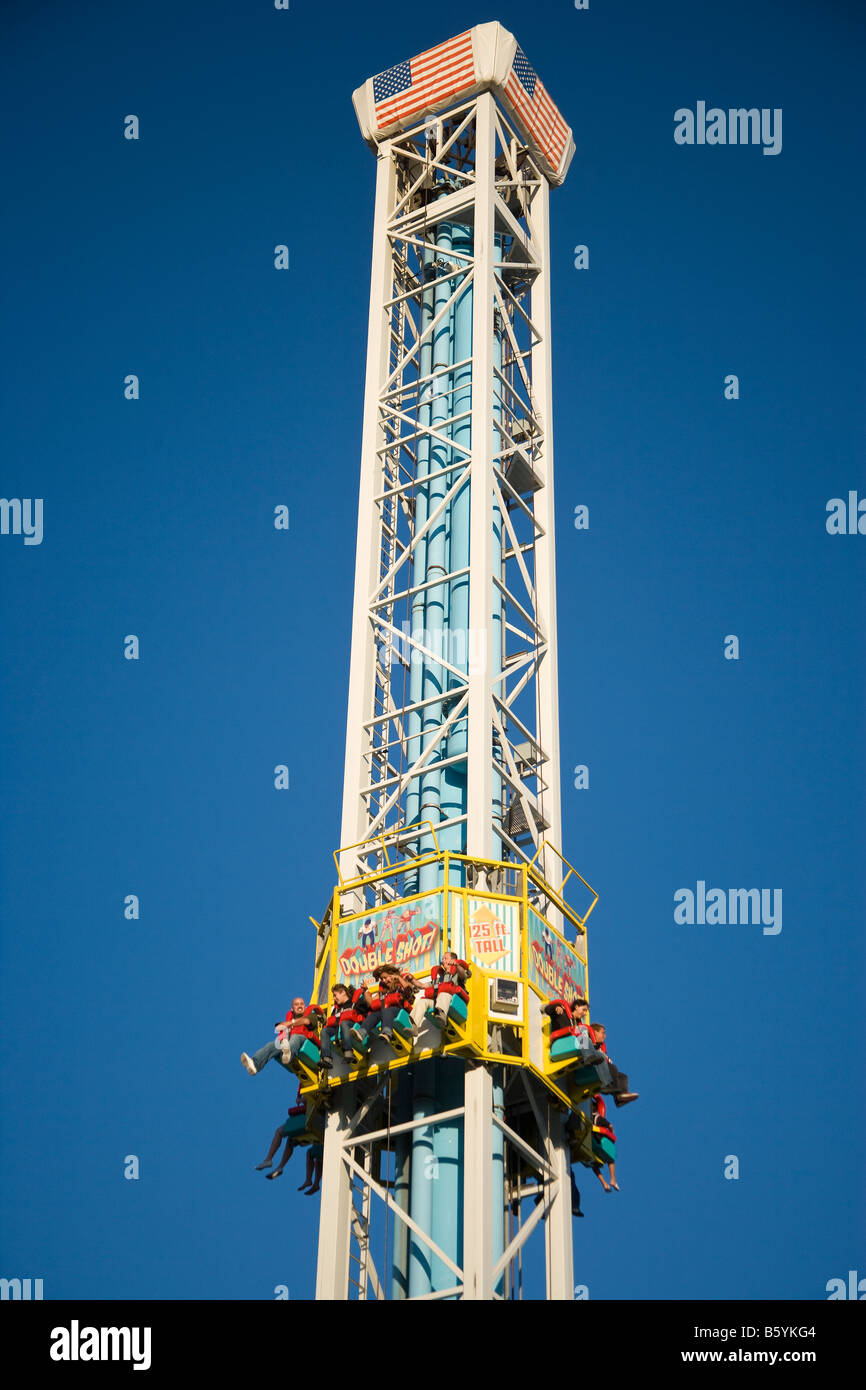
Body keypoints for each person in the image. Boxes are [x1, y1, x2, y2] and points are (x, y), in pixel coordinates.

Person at [241, 997, 322, 1076]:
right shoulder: (289, 1019)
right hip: (289, 1046)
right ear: (292, 1009)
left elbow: (306, 1021)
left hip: (307, 1042)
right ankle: (255, 1065)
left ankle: (288, 1053)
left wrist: (290, 1024)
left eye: (302, 1004)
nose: (300, 1006)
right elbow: (278, 1027)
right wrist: (290, 1024)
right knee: (272, 1045)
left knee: (295, 1037)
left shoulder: (311, 1015)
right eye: (296, 1004)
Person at [587, 1020, 638, 1107]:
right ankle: (612, 1089)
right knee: (612, 1068)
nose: (605, 1036)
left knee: (622, 1076)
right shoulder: (586, 1039)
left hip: (599, 1068)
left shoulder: (601, 1047)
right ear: (595, 1032)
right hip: (588, 1067)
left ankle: (620, 1097)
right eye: (602, 1033)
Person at [413, 951, 471, 1026]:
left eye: (445, 958)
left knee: (443, 993)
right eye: (442, 959)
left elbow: (463, 975)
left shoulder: (457, 973)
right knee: (422, 1001)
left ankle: (442, 1015)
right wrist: (412, 980)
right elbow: (422, 986)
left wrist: (456, 965)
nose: (443, 961)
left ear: (453, 960)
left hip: (453, 1000)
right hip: (438, 1003)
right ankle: (413, 1025)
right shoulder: (440, 979)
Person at [319, 982, 361, 1068]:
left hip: (352, 1027)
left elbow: (363, 1013)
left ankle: (348, 1052)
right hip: (337, 1029)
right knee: (324, 1031)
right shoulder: (336, 1009)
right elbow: (332, 1022)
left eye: (335, 995)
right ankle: (327, 1058)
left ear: (343, 992)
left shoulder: (354, 1003)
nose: (334, 998)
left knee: (344, 1023)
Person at [591, 1095, 619, 1191]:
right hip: (598, 1141)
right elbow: (610, 1126)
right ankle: (613, 1179)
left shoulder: (586, 1116)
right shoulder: (598, 1118)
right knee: (611, 1158)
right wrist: (611, 1134)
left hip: (590, 1144)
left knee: (594, 1165)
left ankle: (604, 1183)